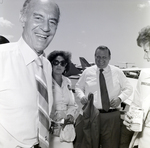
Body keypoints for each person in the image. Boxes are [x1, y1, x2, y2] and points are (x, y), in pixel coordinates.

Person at [0, 0, 60, 148]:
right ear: (23, 17)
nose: (46, 28)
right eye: (38, 17)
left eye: (52, 21)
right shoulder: (2, 58)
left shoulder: (46, 65)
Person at [75, 45, 133, 148]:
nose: (101, 60)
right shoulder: (87, 72)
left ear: (109, 58)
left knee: (111, 145)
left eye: (104, 57)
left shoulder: (117, 72)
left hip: (111, 116)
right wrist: (82, 96)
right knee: (90, 144)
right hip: (92, 115)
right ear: (94, 56)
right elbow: (78, 87)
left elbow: (129, 88)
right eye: (98, 57)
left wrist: (120, 98)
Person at [123, 26, 150, 148]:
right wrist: (129, 118)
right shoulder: (144, 75)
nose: (145, 57)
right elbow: (135, 106)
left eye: (146, 51)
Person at [47, 50, 78, 148]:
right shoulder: (46, 81)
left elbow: (72, 104)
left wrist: (70, 115)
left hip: (66, 129)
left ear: (66, 66)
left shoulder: (67, 81)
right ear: (50, 64)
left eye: (62, 63)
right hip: (50, 130)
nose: (59, 65)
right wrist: (54, 116)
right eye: (56, 62)